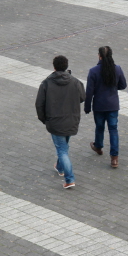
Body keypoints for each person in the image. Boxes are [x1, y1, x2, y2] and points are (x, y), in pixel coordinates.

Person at [35, 56, 85, 189]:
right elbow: (82, 97)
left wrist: (44, 120)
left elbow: (39, 104)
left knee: (62, 150)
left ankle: (70, 179)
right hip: (71, 121)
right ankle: (59, 167)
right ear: (66, 66)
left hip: (55, 122)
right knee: (63, 147)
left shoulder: (46, 83)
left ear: (54, 67)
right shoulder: (75, 82)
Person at [85, 46, 127, 169]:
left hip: (99, 105)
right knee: (113, 130)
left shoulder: (93, 71)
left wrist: (87, 106)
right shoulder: (117, 69)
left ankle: (98, 146)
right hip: (113, 105)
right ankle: (114, 158)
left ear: (99, 56)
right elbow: (123, 85)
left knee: (99, 127)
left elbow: (89, 91)